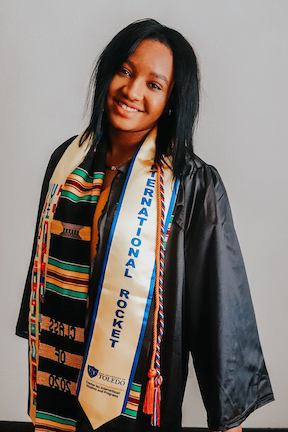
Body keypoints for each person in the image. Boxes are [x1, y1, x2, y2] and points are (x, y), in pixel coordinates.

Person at [16, 18, 274, 432]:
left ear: (172, 99)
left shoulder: (191, 184)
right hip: (59, 383)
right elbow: (43, 282)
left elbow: (220, 306)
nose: (132, 91)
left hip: (137, 397)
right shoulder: (67, 164)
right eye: (125, 70)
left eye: (153, 84)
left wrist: (231, 422)